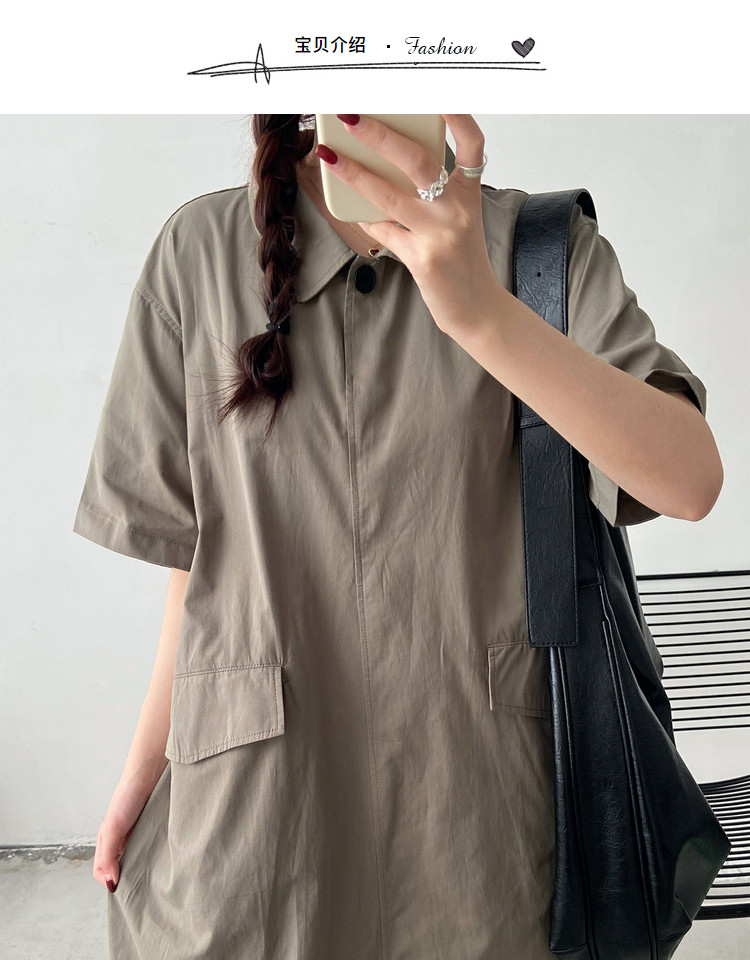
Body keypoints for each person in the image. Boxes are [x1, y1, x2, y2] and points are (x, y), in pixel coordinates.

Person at [74, 114, 722, 960]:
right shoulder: (197, 252)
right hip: (259, 820)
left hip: (485, 820)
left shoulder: (543, 251)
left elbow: (689, 479)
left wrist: (484, 315)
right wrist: (140, 773)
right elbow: (202, 567)